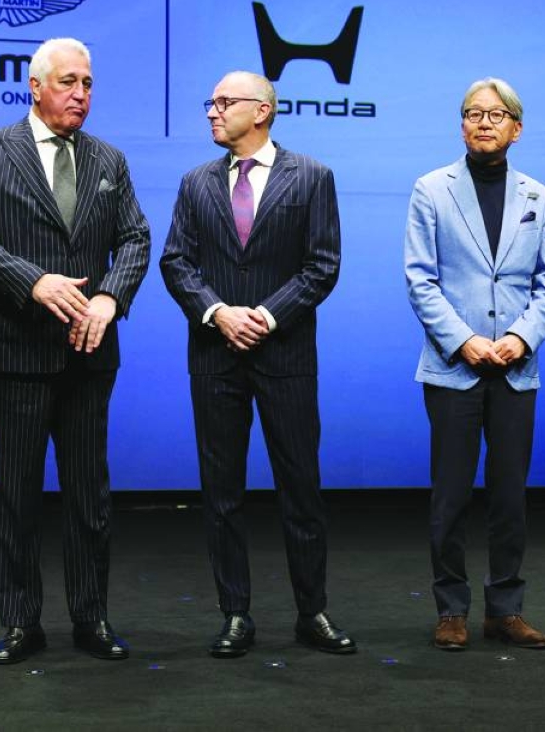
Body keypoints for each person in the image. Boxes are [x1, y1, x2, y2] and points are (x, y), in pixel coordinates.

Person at [0, 37, 151, 664]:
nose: (81, 95)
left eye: (88, 84)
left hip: (89, 353)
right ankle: (20, 622)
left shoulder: (108, 160)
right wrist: (32, 280)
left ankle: (91, 618)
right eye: (69, 83)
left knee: (90, 495)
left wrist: (111, 298)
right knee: (15, 493)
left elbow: (137, 239)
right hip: (12, 350)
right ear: (35, 86)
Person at [159, 71, 354, 657]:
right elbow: (176, 263)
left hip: (285, 356)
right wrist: (220, 314)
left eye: (225, 102)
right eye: (210, 101)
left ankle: (311, 612)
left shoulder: (312, 177)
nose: (212, 112)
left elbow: (322, 266)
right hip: (216, 357)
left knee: (302, 490)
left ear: (262, 110)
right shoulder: (196, 183)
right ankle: (235, 613)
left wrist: (264, 317)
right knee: (222, 495)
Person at [405, 78, 545, 651]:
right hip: (455, 367)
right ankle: (451, 609)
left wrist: (520, 339)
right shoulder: (432, 188)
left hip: (516, 369)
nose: (483, 123)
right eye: (472, 113)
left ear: (516, 128)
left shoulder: (537, 197)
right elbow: (420, 279)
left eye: (495, 115)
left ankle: (505, 608)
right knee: (449, 498)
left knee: (509, 497)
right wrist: (464, 339)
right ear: (462, 124)